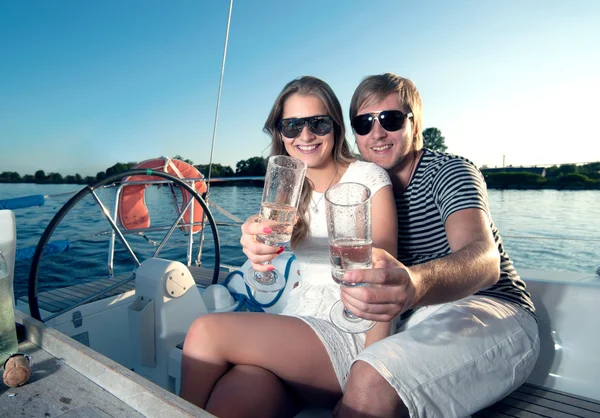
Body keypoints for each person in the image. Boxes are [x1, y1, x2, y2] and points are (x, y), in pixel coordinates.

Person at [179, 76, 397, 417]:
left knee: (205, 331)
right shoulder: (289, 187)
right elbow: (265, 228)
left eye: (318, 123)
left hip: (349, 332)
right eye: (292, 125)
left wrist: (369, 375)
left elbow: (383, 281)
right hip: (296, 326)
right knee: (233, 400)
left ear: (336, 127)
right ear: (280, 133)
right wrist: (252, 236)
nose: (305, 136)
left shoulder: (368, 179)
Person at [330, 73, 540, 417]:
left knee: (370, 381)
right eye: (364, 123)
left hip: (493, 309)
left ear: (415, 124)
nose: (377, 133)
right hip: (417, 315)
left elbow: (485, 261)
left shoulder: (449, 171)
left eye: (391, 119)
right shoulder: (362, 188)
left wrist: (414, 283)